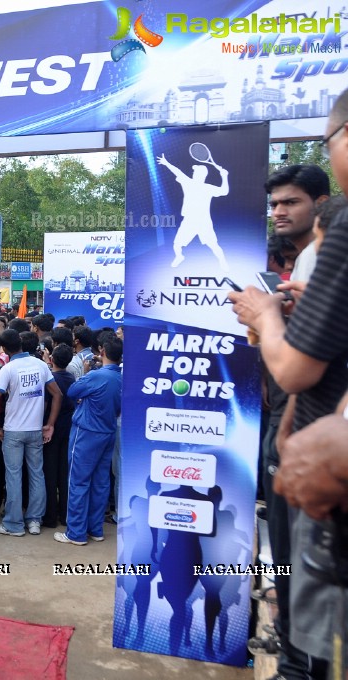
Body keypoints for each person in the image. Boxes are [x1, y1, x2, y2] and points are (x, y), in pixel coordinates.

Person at [228, 89, 348, 680]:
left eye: (291, 202)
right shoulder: (298, 265)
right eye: (272, 203)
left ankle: (299, 657)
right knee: (292, 569)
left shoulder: (338, 236)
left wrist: (268, 320)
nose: (278, 212)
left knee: (314, 600)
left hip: (325, 452)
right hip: (299, 435)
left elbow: (301, 366)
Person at [0, 330, 62, 537]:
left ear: (3, 349)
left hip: (13, 431)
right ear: (20, 342)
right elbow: (57, 394)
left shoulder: (7, 369)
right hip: (35, 429)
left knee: (14, 476)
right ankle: (34, 521)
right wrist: (50, 423)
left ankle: (14, 524)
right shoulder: (40, 365)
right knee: (37, 474)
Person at [55, 335, 122, 546]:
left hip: (86, 433)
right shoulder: (122, 377)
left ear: (101, 351)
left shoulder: (96, 375)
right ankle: (95, 529)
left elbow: (72, 391)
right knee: (101, 483)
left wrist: (86, 374)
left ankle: (75, 532)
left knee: (78, 482)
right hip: (107, 432)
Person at [43, 344, 76, 529]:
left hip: (51, 428)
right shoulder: (72, 378)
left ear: (51, 359)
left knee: (49, 472)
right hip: (68, 428)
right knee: (64, 473)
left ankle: (49, 516)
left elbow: (46, 404)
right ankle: (65, 515)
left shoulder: (51, 379)